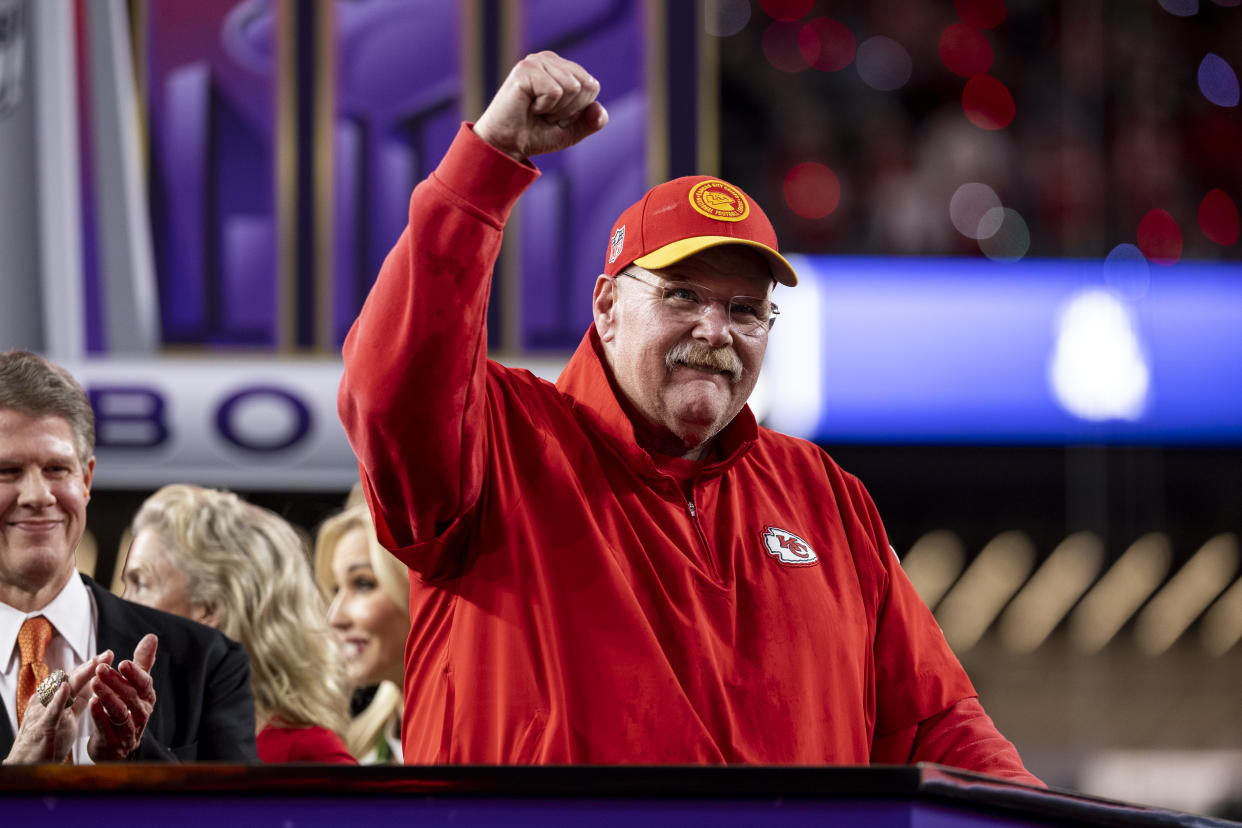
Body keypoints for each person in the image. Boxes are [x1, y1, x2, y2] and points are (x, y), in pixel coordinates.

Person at [337, 51, 1041, 783]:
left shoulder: (823, 495)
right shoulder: (501, 442)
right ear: (607, 308)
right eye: (680, 296)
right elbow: (388, 388)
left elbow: (933, 724)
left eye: (745, 310)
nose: (716, 331)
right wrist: (487, 162)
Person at [0, 350, 256, 763]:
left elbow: (244, 822)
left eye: (57, 469)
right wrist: (15, 778)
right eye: (6, 471)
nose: (37, 496)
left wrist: (133, 760)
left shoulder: (206, 661)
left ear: (85, 480)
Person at [124, 484, 356, 764]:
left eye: (140, 583)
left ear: (208, 608)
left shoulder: (309, 758)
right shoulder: (160, 739)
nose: (123, 603)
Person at [314, 500, 410, 763]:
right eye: (336, 589)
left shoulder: (483, 743)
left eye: (363, 584)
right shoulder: (352, 748)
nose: (334, 618)